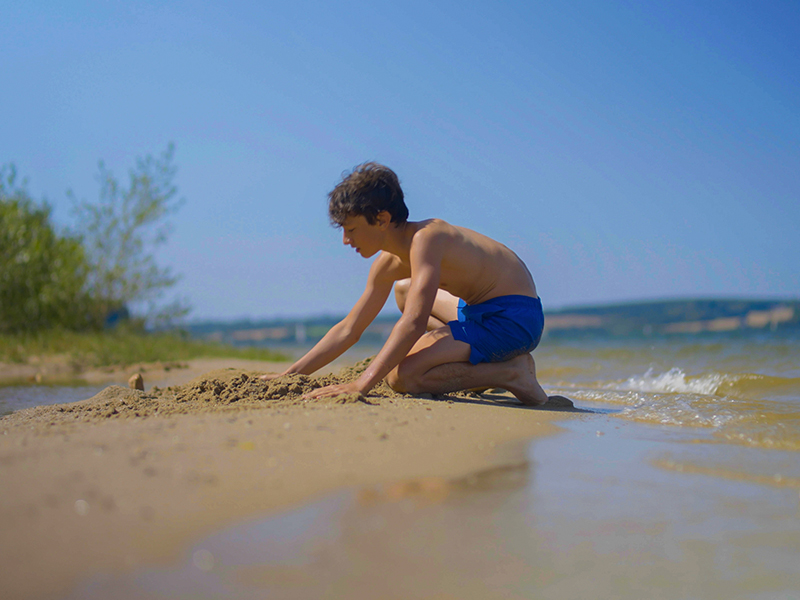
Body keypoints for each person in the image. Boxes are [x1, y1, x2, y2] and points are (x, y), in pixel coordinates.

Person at [263, 162, 550, 406]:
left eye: (351, 230)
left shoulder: (428, 238)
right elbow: (350, 328)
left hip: (514, 320)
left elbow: (414, 322)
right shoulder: (388, 263)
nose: (345, 240)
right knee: (403, 289)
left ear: (382, 219)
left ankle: (512, 372)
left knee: (402, 377)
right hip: (476, 310)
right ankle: (474, 360)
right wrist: (292, 375)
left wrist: (361, 384)